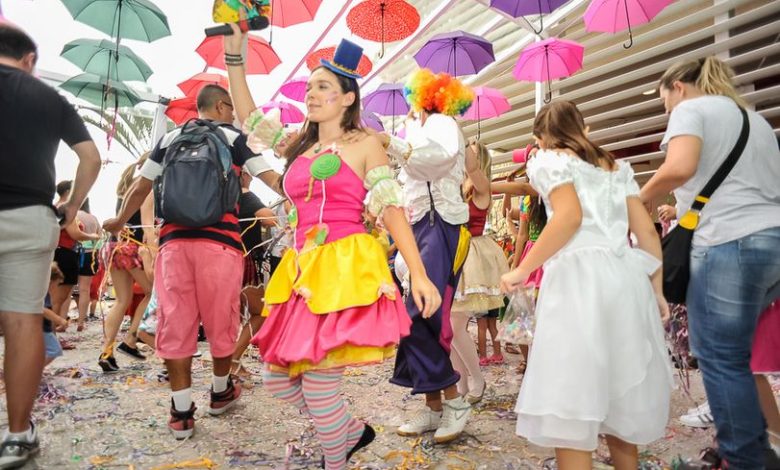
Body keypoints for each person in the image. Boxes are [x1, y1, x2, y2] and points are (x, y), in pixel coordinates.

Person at [225, 32, 441, 469]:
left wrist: (417, 273)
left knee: (320, 385)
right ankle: (349, 432)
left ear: (347, 98)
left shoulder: (366, 144)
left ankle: (335, 458)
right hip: (302, 272)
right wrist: (236, 55)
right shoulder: (298, 145)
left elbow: (391, 207)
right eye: (310, 87)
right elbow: (248, 118)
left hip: (345, 268)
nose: (312, 93)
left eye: (323, 86)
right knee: (277, 379)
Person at [501, 100, 673, 468]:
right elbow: (646, 232)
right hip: (625, 278)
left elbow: (568, 217)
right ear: (582, 128)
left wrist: (522, 269)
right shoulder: (615, 167)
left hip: (579, 281)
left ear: (541, 138)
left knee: (571, 400)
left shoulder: (547, 161)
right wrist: (656, 289)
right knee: (621, 394)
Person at [104, 83, 277, 440]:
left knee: (176, 322)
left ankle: (181, 412)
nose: (232, 114)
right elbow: (269, 176)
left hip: (174, 246)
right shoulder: (232, 138)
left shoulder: (169, 140)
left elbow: (140, 187)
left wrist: (119, 221)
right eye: (229, 108)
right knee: (221, 321)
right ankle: (219, 392)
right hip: (221, 244)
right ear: (220, 106)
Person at [639, 56, 780, 467]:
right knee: (735, 354)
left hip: (727, 241)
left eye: (666, 104)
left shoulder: (691, 109)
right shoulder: (754, 120)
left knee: (720, 357)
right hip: (772, 241)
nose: (669, 112)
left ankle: (748, 459)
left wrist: (636, 198)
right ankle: (753, 448)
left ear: (678, 87)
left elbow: (679, 167)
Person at [0, 23, 100, 468]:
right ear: (29, 60)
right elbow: (90, 157)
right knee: (23, 323)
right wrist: (72, 207)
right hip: (29, 217)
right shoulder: (48, 98)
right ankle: (18, 435)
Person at [373, 68, 474, 443]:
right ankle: (434, 407)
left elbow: (437, 160)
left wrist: (391, 143)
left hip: (439, 223)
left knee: (419, 312)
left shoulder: (443, 125)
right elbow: (409, 179)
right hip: (418, 227)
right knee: (416, 316)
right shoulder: (418, 130)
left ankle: (452, 398)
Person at [450, 141, 509, 403]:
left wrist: (457, 138)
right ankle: (460, 384)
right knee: (447, 327)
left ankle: (478, 379)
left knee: (454, 325)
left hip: (472, 255)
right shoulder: (458, 187)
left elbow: (472, 169)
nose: (465, 151)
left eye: (471, 149)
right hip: (453, 253)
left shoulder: (481, 187)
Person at [97, 155, 154, 372]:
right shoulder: (147, 187)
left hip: (114, 247)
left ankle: (107, 350)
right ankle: (131, 338)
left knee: (121, 300)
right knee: (151, 292)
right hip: (132, 248)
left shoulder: (129, 185)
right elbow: (147, 226)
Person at [231, 169, 276, 378]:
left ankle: (229, 362)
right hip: (242, 259)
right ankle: (232, 359)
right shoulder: (244, 193)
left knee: (228, 315)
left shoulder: (219, 194)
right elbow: (269, 219)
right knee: (260, 312)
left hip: (219, 257)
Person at [50, 181, 100, 327]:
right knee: (58, 299)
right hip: (65, 253)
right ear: (68, 192)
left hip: (56, 253)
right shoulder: (65, 208)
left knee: (55, 297)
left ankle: (51, 331)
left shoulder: (54, 207)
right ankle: (51, 334)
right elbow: (75, 233)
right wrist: (92, 236)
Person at [75, 198, 101, 331]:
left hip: (74, 252)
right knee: (84, 290)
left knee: (67, 290)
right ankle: (81, 322)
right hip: (90, 254)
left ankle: (61, 319)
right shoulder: (93, 218)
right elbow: (100, 239)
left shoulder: (74, 215)